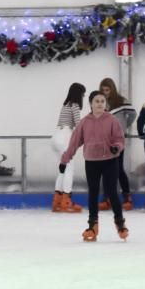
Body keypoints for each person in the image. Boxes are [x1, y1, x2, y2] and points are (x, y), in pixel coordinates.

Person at [60, 91, 128, 242]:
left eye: (102, 101)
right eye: (96, 101)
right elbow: (74, 142)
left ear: (105, 104)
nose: (100, 104)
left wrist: (116, 147)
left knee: (111, 191)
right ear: (91, 103)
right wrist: (65, 160)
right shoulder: (84, 122)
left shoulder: (111, 120)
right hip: (91, 161)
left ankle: (120, 222)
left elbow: (119, 139)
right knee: (93, 192)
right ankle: (93, 225)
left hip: (110, 160)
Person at [99, 78, 136, 211]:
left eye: (107, 90)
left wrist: (124, 127)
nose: (105, 92)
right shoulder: (100, 102)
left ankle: (127, 197)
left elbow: (133, 114)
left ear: (112, 89)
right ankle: (106, 197)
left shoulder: (121, 101)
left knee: (118, 168)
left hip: (117, 140)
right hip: (104, 140)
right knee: (105, 170)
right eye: (103, 90)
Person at [50, 83, 85, 213]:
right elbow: (79, 124)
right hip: (64, 136)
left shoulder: (66, 105)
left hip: (56, 136)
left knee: (63, 169)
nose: (83, 96)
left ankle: (57, 200)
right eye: (83, 93)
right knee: (70, 168)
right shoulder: (74, 105)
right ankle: (66, 200)